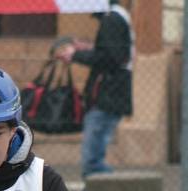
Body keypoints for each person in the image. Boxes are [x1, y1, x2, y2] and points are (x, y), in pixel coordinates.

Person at [55, 0, 134, 178]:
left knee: (92, 160)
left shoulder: (111, 19)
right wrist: (87, 48)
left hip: (108, 93)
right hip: (111, 91)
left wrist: (75, 54)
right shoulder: (117, 16)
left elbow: (111, 58)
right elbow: (114, 51)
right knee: (94, 154)